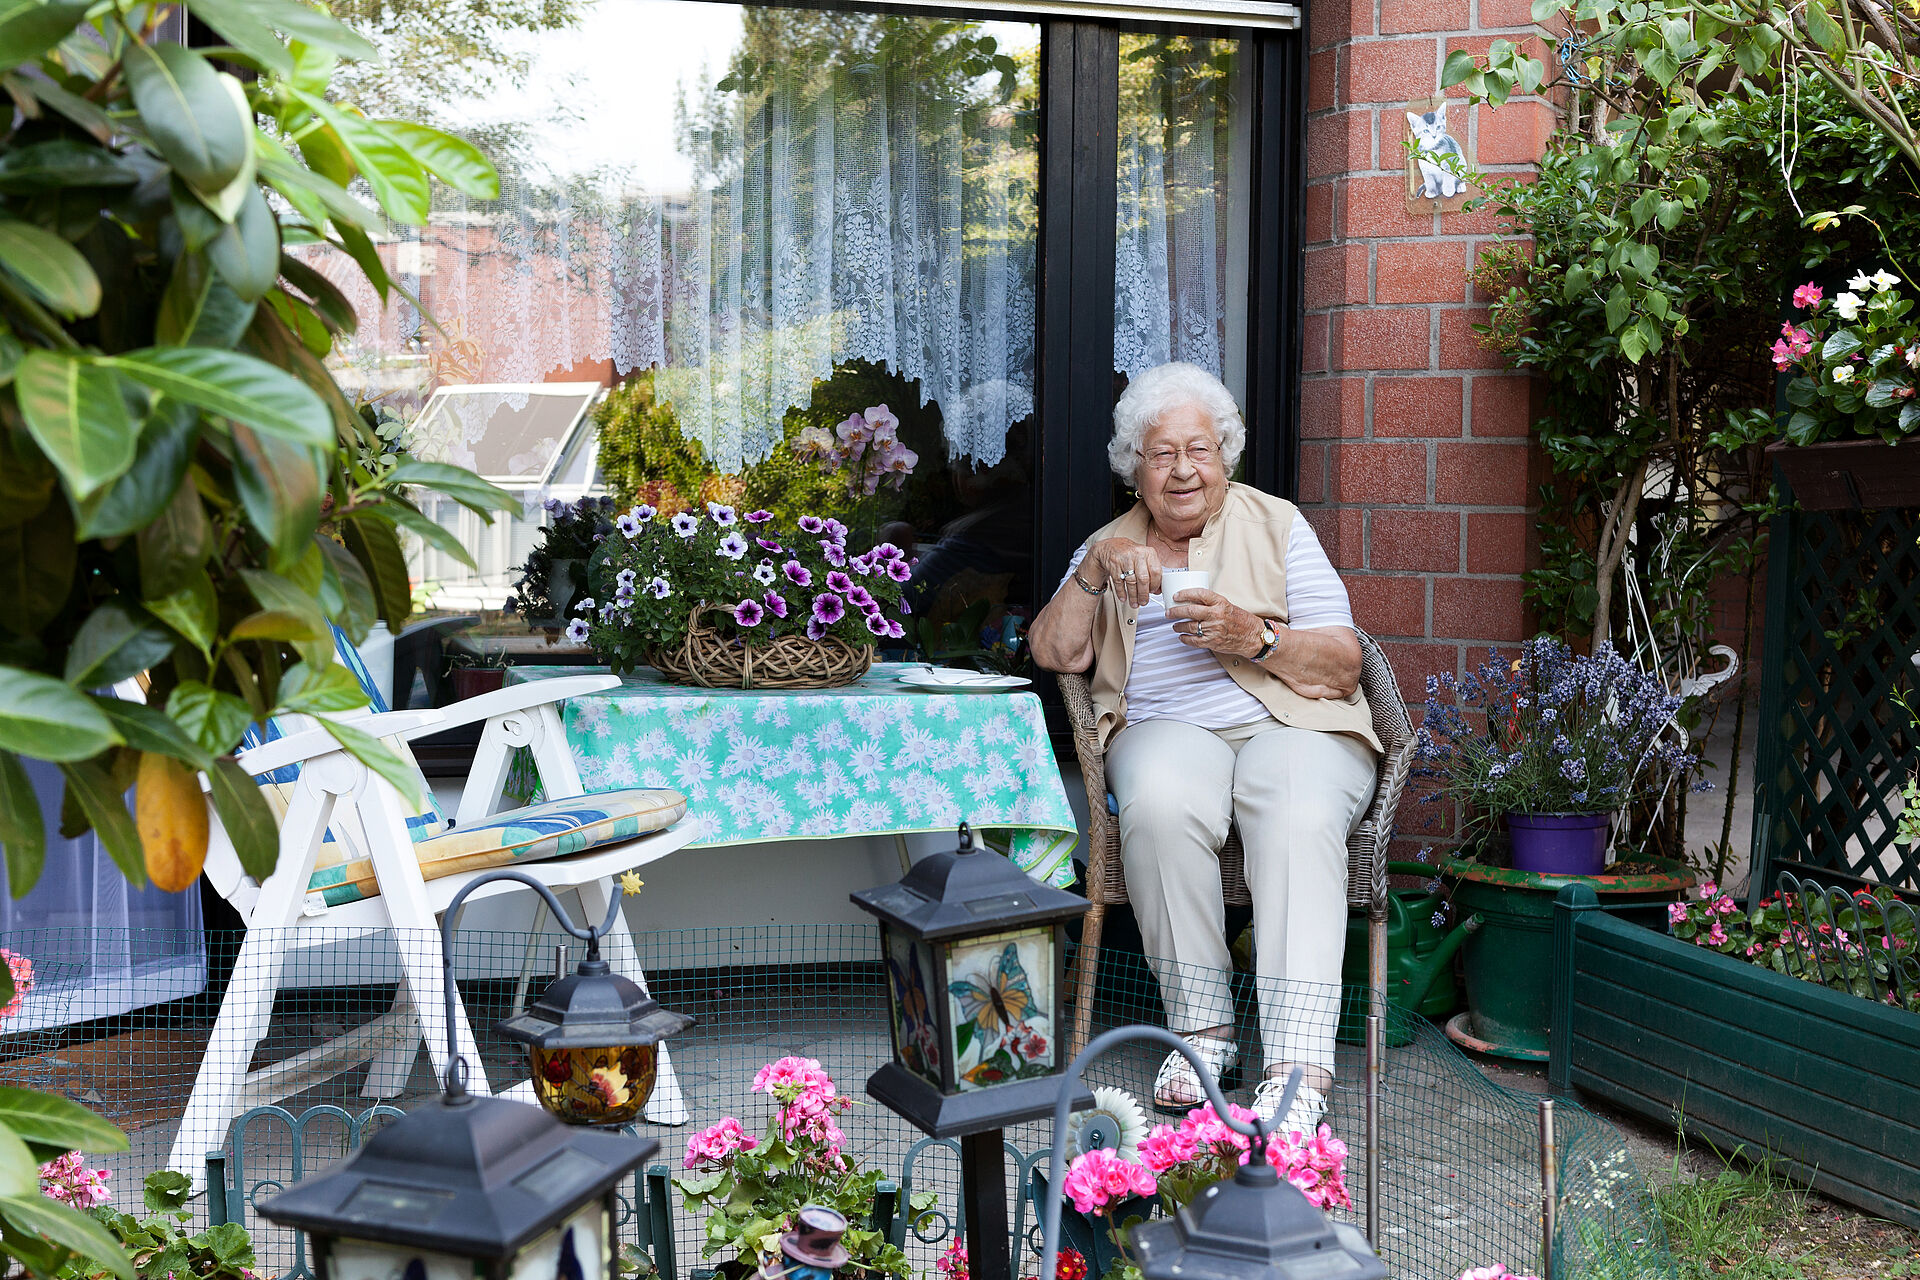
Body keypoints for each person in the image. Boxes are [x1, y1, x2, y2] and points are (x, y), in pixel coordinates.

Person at [1028, 361, 1380, 1135]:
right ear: (1135, 468)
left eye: (1199, 450)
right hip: (1167, 728)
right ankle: (1202, 1032)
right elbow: (1053, 652)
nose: (1182, 470)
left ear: (1225, 458)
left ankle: (1295, 1066)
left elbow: (1344, 660)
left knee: (1291, 807)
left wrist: (1253, 636)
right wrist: (1091, 574)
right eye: (1161, 454)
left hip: (1294, 722)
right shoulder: (1109, 544)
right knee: (1154, 801)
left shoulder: (1277, 524)